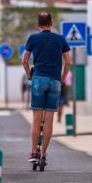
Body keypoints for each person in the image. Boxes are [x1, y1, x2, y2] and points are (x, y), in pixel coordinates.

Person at [22, 11, 71, 165]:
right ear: (51, 23)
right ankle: (43, 154)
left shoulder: (33, 38)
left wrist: (30, 75)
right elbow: (68, 62)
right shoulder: (60, 39)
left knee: (37, 118)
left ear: (38, 24)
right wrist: (62, 78)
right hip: (55, 81)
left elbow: (24, 61)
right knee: (49, 119)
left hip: (38, 79)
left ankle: (33, 153)